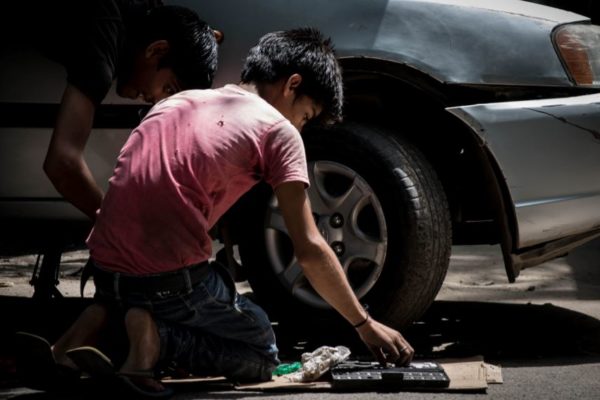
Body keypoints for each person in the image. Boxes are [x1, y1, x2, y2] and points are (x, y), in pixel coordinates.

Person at [18, 28, 414, 397]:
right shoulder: (279, 131)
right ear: (292, 85)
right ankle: (151, 337)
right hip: (166, 282)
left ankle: (91, 325)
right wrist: (365, 325)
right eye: (306, 116)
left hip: (105, 270)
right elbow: (309, 248)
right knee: (261, 350)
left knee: (185, 280)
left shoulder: (178, 100)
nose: (301, 126)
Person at [3, 1, 220, 220]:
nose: (155, 101)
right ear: (156, 49)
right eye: (168, 88)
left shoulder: (144, 15)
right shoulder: (101, 47)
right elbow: (63, 163)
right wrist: (121, 227)